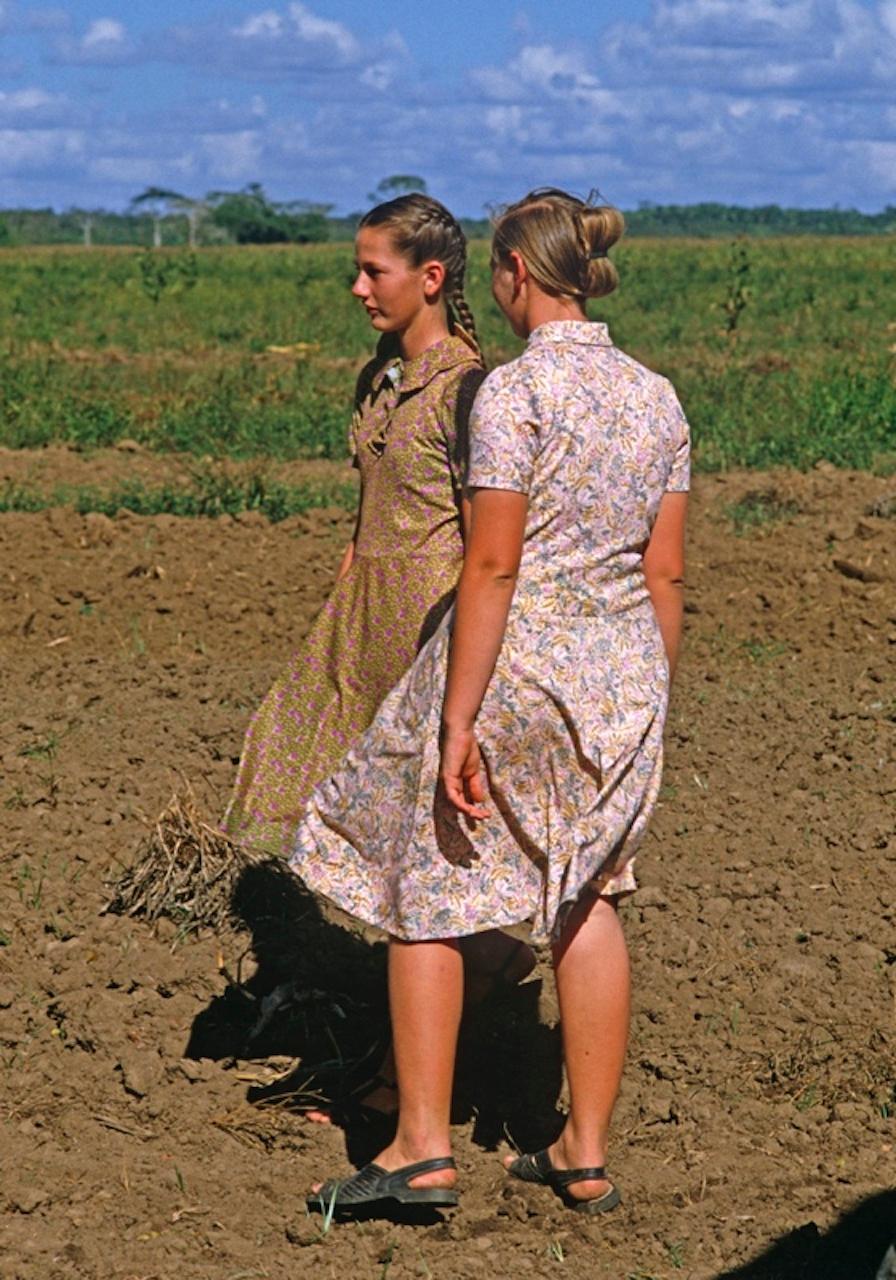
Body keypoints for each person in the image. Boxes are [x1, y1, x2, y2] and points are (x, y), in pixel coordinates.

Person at [292, 187, 690, 1216]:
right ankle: (582, 1148)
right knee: (586, 895)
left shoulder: (511, 396)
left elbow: (493, 565)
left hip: (516, 670)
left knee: (425, 887)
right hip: (623, 678)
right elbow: (666, 578)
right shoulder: (658, 399)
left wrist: (455, 716)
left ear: (513, 274)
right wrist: (647, 696)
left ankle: (419, 1146)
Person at [223, 193, 534, 1116]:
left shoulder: (473, 389)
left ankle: (403, 1083)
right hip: (362, 626)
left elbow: (489, 546)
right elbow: (369, 520)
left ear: (430, 278)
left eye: (375, 271)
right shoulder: (380, 380)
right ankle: (440, 1014)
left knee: (416, 856)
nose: (358, 288)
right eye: (355, 271)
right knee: (342, 815)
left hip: (432, 637)